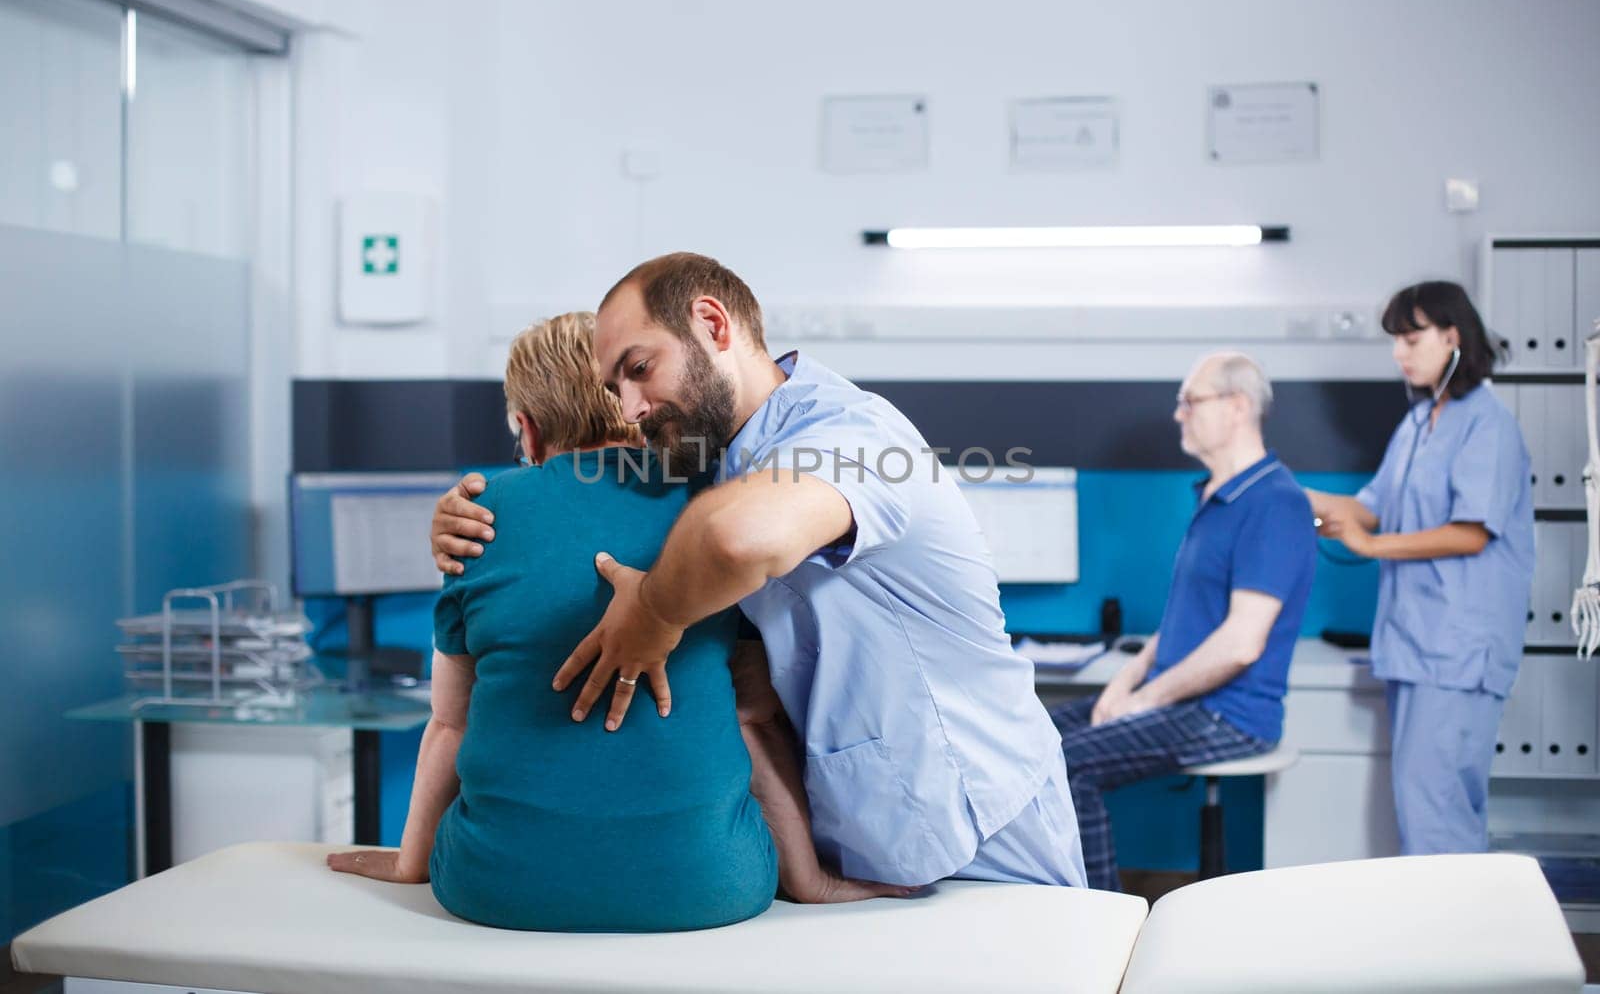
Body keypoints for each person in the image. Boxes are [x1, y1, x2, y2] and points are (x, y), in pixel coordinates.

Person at [431, 252, 1086, 890]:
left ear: (714, 326)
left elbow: (738, 536)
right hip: (868, 837)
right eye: (613, 389)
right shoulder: (719, 456)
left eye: (640, 368)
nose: (629, 407)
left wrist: (654, 614)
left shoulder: (854, 436)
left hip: (980, 833)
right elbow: (592, 491)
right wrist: (461, 514)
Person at [326, 312, 778, 932]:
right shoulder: (714, 502)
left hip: (493, 891)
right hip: (718, 890)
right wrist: (809, 879)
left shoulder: (476, 518)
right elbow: (755, 717)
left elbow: (450, 722)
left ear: (528, 431)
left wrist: (412, 863)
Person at [1048, 352, 1316, 890]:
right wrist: (1122, 682)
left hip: (1226, 714)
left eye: (1190, 401)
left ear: (1236, 407)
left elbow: (1241, 644)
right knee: (1036, 736)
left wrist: (1143, 700)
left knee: (1068, 767)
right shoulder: (1215, 497)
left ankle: (1102, 921)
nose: (1179, 415)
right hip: (1183, 700)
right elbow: (1178, 622)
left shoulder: (1274, 503)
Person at [1308, 281, 1533, 855]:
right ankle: (1443, 936)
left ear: (1452, 337)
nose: (1398, 353)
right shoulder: (1417, 425)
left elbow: (1471, 532)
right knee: (1422, 805)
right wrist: (1278, 489)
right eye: (1396, 341)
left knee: (1437, 812)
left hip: (1458, 651)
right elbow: (1369, 507)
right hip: (1415, 645)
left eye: (1411, 338)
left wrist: (1369, 546)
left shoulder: (1489, 425)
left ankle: (1454, 943)